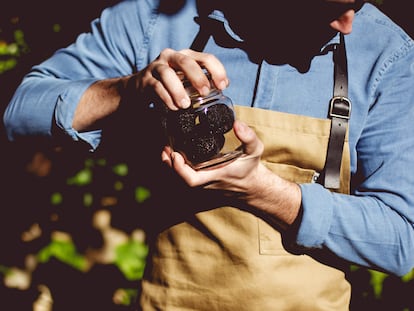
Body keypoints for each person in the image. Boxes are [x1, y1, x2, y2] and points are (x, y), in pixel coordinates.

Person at [3, 0, 414, 309]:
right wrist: (129, 89)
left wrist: (263, 191)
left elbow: (400, 241)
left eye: (355, 3)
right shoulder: (158, 20)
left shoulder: (386, 55)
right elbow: (20, 113)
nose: (348, 22)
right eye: (331, 4)